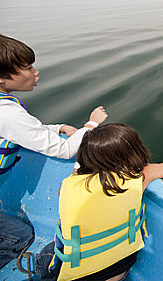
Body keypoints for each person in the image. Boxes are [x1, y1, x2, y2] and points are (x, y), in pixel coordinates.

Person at [41, 123, 163, 281]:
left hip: (75, 274)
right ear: (132, 152)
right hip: (119, 269)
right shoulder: (140, 176)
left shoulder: (70, 183)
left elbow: (64, 194)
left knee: (49, 254)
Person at [0, 34, 108, 269]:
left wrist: (57, 127)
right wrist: (90, 125)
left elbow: (21, 131)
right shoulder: (7, 113)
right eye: (27, 68)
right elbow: (64, 149)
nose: (35, 72)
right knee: (20, 236)